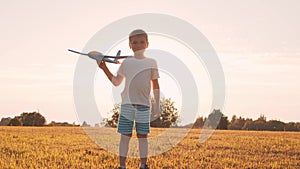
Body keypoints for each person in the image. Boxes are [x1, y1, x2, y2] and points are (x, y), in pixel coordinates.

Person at [97, 29, 160, 169]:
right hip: (127, 105)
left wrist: (157, 105)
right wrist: (104, 68)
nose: (139, 45)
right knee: (125, 137)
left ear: (147, 44)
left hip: (144, 105)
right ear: (130, 45)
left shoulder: (152, 62)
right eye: (135, 42)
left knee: (142, 137)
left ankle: (143, 165)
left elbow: (155, 84)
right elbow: (116, 82)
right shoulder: (126, 62)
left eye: (142, 42)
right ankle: (122, 166)